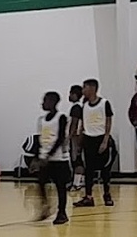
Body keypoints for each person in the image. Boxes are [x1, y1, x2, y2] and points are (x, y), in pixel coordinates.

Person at [72, 79, 115, 208]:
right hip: (88, 139)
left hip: (100, 138)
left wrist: (105, 140)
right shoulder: (84, 106)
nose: (82, 90)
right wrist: (80, 143)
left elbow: (108, 122)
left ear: (92, 88)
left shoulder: (104, 103)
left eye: (84, 88)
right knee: (89, 169)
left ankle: (107, 194)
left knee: (105, 170)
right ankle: (88, 197)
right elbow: (82, 125)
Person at [34, 91, 71, 226]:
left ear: (53, 102)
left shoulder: (61, 118)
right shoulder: (41, 120)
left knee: (60, 187)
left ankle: (62, 213)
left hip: (59, 158)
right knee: (41, 183)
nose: (43, 103)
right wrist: (36, 157)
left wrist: (49, 155)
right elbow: (39, 139)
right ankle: (46, 206)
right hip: (45, 157)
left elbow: (61, 138)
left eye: (45, 100)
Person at [67, 84, 85, 191]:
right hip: (77, 136)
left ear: (74, 94)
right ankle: (78, 181)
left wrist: (70, 136)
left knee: (76, 159)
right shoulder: (80, 107)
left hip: (76, 136)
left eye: (70, 93)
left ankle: (77, 183)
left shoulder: (76, 107)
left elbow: (74, 123)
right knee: (77, 159)